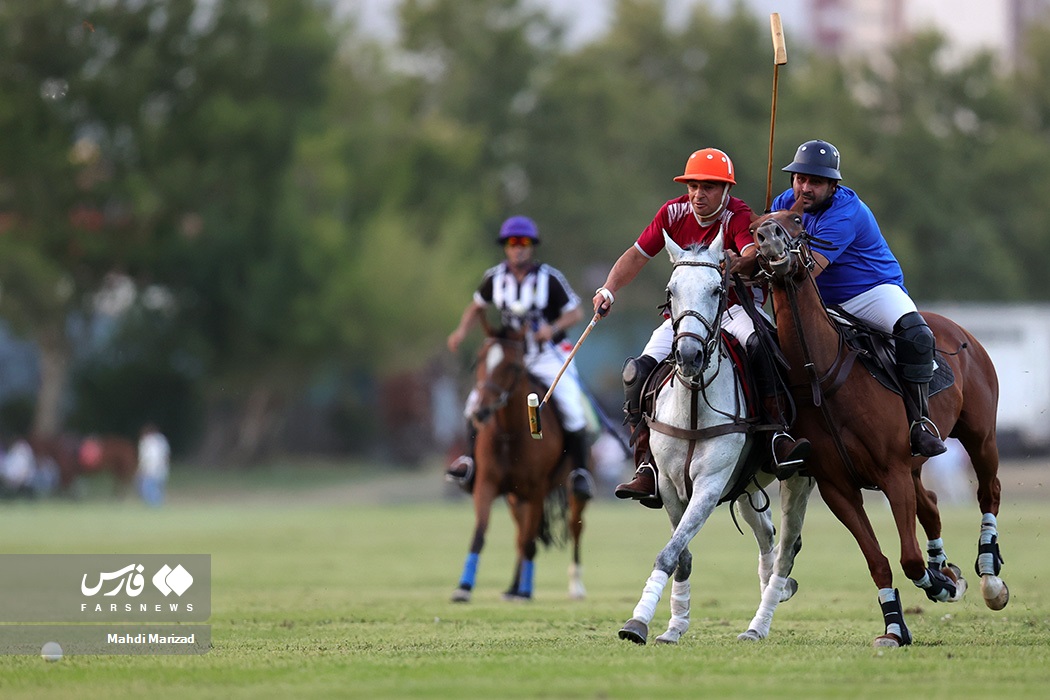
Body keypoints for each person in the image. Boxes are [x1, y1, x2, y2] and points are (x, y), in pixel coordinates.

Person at [593, 148, 810, 507]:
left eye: (709, 187)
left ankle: (776, 436)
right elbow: (636, 255)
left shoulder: (737, 214)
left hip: (733, 308)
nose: (698, 194)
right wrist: (608, 289)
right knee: (636, 371)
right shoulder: (672, 212)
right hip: (687, 316)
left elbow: (748, 254)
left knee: (762, 347)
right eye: (693, 185)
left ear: (725, 190)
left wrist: (741, 259)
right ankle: (646, 462)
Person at [771, 139, 946, 457]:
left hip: (871, 292)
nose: (805, 188)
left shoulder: (847, 212)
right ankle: (778, 430)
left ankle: (920, 423)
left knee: (917, 335)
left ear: (833, 185)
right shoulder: (784, 203)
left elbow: (809, 271)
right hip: (821, 301)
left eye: (816, 181)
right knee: (768, 345)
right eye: (800, 178)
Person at [446, 216, 595, 501]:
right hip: (508, 361)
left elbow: (575, 313)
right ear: (506, 247)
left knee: (572, 408)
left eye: (524, 243)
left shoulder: (549, 278)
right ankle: (468, 461)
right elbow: (476, 306)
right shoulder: (494, 278)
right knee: (474, 404)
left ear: (532, 247)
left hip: (546, 357)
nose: (519, 249)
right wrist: (460, 332)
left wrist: (551, 328)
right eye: (513, 243)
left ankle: (579, 472)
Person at [137, 423, 171, 507]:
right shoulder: (161, 440)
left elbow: (148, 457)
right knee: (153, 487)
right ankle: (155, 504)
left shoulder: (148, 442)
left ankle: (155, 505)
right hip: (158, 467)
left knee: (149, 487)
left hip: (152, 468)